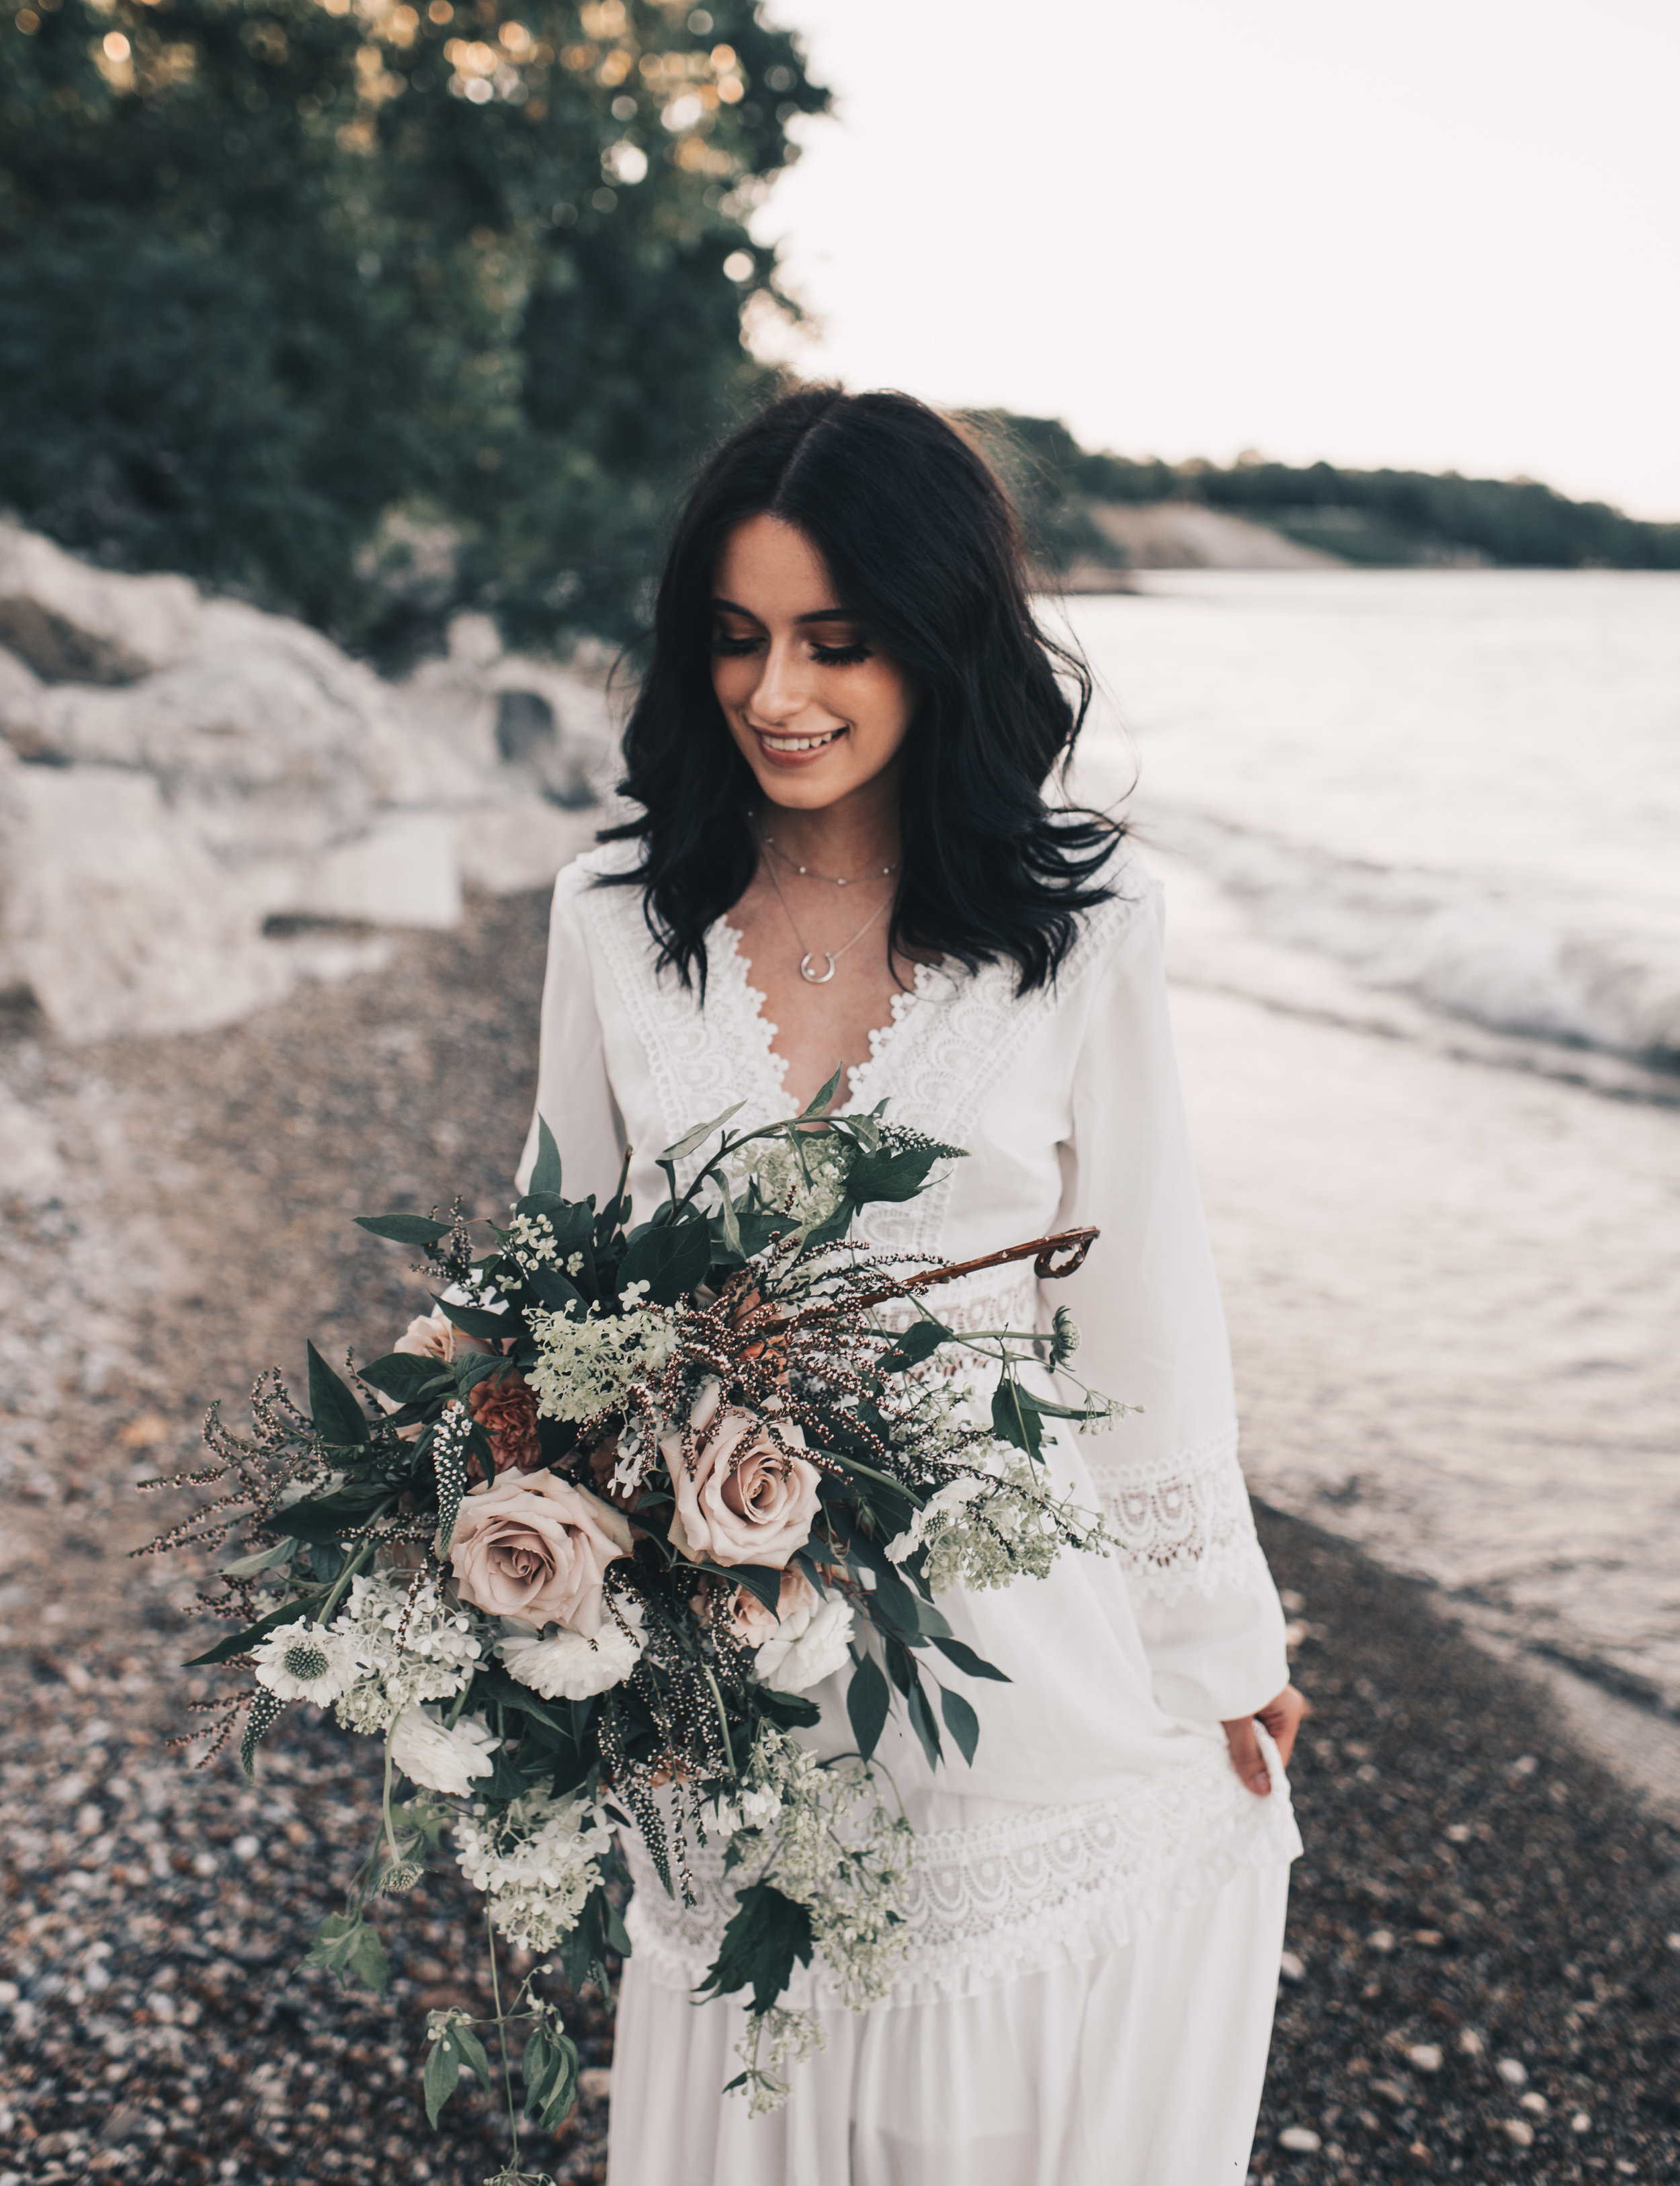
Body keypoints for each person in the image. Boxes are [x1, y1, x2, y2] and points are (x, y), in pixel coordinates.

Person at [519, 386, 1304, 2186]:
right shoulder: (613, 914)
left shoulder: (1083, 924)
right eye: (735, 641)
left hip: (1008, 1622)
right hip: (716, 1637)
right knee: (768, 2057)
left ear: (939, 640)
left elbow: (1144, 1322)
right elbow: (544, 1273)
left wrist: (1222, 1649)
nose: (776, 694)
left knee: (997, 2094)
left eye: (835, 643)